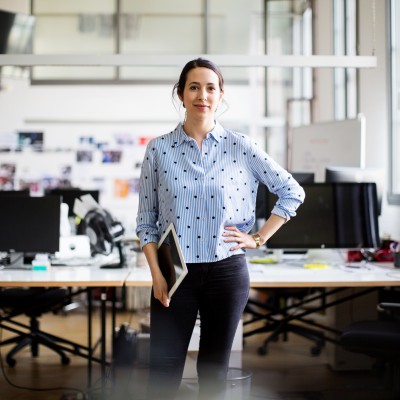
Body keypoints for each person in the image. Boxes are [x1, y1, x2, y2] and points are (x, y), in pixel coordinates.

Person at [136, 58, 305, 400]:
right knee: (163, 372)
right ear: (181, 94)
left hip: (226, 270)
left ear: (220, 95)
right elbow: (146, 221)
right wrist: (156, 274)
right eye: (194, 87)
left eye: (210, 87)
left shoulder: (241, 145)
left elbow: (292, 192)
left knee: (214, 371)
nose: (202, 95)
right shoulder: (159, 149)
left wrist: (258, 237)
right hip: (174, 272)